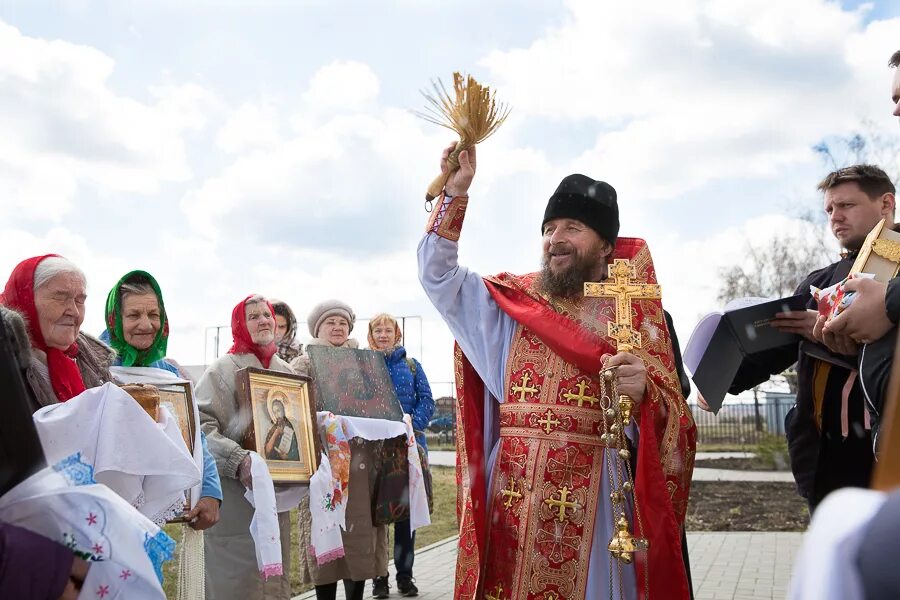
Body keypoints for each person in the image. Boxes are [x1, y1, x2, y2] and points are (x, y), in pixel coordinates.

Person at [418, 143, 696, 600]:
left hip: (601, 498)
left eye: (573, 226)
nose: (556, 238)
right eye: (549, 228)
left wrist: (645, 395)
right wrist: (454, 194)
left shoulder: (636, 315)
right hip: (515, 497)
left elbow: (677, 423)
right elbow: (439, 278)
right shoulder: (512, 305)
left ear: (606, 245)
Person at [732, 165, 895, 511]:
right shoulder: (819, 279)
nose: (836, 217)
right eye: (830, 210)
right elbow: (780, 341)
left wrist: (826, 335)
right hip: (823, 460)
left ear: (885, 204)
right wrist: (721, 377)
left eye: (846, 206)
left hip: (886, 453)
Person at [101, 270, 222, 531]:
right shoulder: (93, 363)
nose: (146, 325)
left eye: (153, 314)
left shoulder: (167, 373)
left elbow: (193, 435)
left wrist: (211, 490)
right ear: (115, 318)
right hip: (103, 513)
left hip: (152, 513)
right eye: (134, 315)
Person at [196, 295, 294, 600]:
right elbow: (200, 427)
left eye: (266, 315)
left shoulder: (286, 371)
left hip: (278, 498)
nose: (263, 320)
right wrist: (238, 460)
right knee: (238, 583)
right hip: (236, 501)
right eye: (253, 316)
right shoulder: (222, 370)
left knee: (273, 581)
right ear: (240, 324)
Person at [293, 299, 388, 600]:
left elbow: (379, 406)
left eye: (342, 323)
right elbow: (295, 410)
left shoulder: (364, 362)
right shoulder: (303, 364)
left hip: (360, 467)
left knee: (357, 533)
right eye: (330, 322)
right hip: (322, 465)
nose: (337, 327)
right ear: (318, 328)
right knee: (326, 531)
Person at [367, 313, 435, 598]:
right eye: (377, 330)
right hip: (375, 449)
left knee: (406, 515)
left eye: (388, 330)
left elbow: (427, 401)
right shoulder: (364, 366)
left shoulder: (412, 366)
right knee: (376, 516)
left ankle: (404, 577)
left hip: (409, 449)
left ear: (398, 334)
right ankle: (379, 579)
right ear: (371, 335)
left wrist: (410, 424)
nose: (383, 335)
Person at [0, 254, 113, 410]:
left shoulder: (91, 362)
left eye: (79, 300)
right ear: (26, 299)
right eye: (60, 297)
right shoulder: (6, 363)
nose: (74, 311)